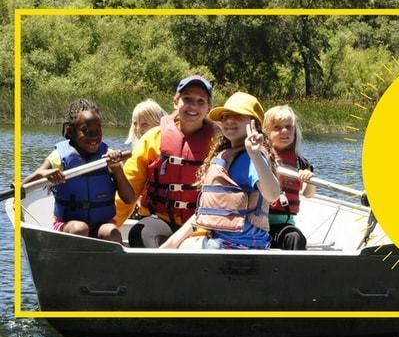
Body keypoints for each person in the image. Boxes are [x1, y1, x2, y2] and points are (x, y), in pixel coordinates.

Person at [160, 92, 281, 250]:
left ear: (254, 124)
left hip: (244, 246)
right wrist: (169, 244)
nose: (229, 120)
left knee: (187, 250)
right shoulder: (224, 157)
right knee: (182, 246)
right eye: (224, 117)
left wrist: (255, 154)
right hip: (218, 240)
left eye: (238, 116)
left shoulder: (252, 158)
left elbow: (272, 194)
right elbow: (204, 214)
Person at [114, 75, 218, 248]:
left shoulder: (220, 142)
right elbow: (129, 189)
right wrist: (110, 224)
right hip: (160, 220)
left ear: (209, 107)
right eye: (187, 99)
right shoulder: (153, 138)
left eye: (201, 101)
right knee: (141, 234)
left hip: (203, 224)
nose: (193, 106)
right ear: (176, 101)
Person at [22, 99, 135, 243]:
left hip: (101, 224)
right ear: (71, 131)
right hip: (68, 225)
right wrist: (42, 173)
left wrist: (117, 168)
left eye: (98, 129)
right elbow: (22, 187)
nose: (94, 136)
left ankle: (111, 265)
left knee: (111, 232)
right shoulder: (59, 157)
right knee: (79, 229)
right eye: (86, 131)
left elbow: (129, 199)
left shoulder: (109, 156)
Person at [262, 105, 316, 250]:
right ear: (266, 132)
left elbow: (308, 194)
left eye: (288, 126)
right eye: (277, 128)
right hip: (259, 222)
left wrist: (308, 179)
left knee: (295, 238)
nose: (284, 131)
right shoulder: (260, 156)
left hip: (284, 226)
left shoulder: (301, 163)